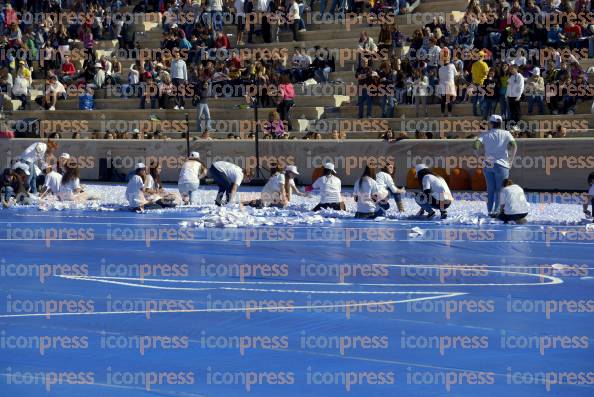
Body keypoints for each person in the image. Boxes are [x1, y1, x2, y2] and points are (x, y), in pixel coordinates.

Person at [474, 114, 518, 216]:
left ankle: (490, 211)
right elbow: (514, 146)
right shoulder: (507, 134)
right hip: (502, 165)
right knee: (500, 190)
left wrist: (480, 158)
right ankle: (497, 211)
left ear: (491, 123)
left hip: (488, 165)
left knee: (490, 189)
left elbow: (475, 146)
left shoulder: (485, 134)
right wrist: (510, 160)